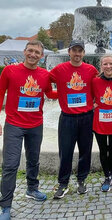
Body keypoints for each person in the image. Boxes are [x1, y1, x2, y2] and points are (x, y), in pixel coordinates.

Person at [0, 40, 56, 220]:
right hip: (14, 124)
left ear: (41, 57)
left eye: (37, 53)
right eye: (30, 51)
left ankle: (32, 189)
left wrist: (71, 91)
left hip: (35, 125)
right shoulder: (10, 71)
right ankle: (6, 205)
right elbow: (0, 94)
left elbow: (50, 94)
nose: (33, 55)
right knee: (10, 165)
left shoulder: (44, 74)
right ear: (24, 52)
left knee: (33, 160)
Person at [50, 40, 99, 199]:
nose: (77, 54)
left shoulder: (91, 69)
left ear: (84, 53)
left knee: (85, 150)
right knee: (65, 151)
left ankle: (81, 180)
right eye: (74, 50)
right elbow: (44, 80)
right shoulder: (59, 69)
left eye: (80, 51)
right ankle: (63, 183)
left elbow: (100, 84)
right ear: (69, 52)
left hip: (86, 117)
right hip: (67, 118)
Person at [92, 54, 112, 192]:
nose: (108, 66)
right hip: (99, 122)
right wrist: (92, 103)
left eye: (111, 63)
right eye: (105, 64)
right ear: (101, 66)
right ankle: (107, 176)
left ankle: (111, 171)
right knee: (103, 150)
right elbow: (88, 95)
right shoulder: (95, 81)